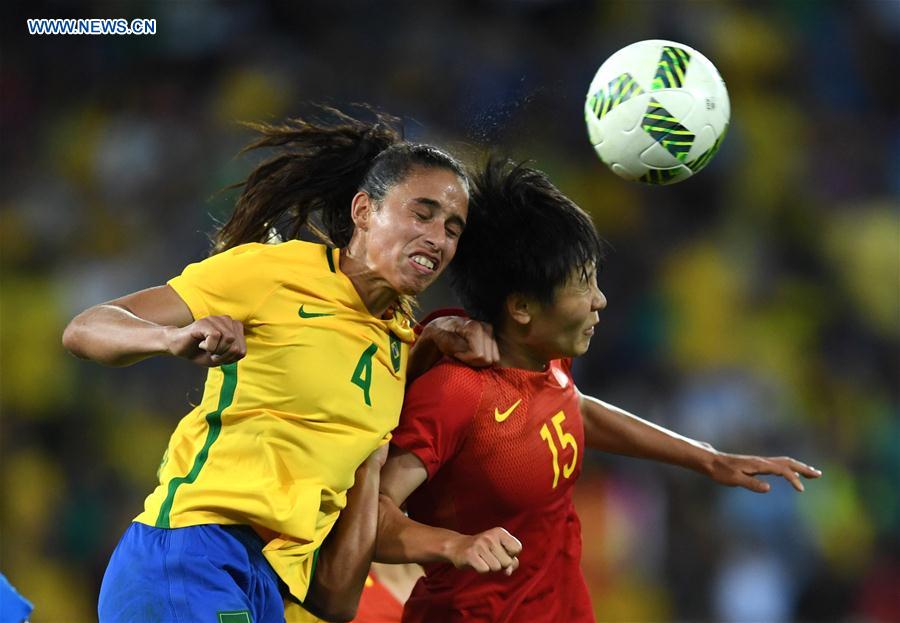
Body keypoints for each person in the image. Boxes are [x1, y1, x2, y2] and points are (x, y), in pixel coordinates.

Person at [61, 106, 498, 623]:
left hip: (269, 586)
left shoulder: (395, 345)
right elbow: (86, 328)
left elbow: (340, 581)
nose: (438, 238)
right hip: (192, 553)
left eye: (452, 227)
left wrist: (431, 346)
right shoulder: (274, 272)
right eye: (421, 214)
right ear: (363, 212)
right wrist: (171, 337)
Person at [372, 158, 823, 622]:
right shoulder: (456, 392)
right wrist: (456, 545)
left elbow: (574, 410)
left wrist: (708, 458)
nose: (599, 299)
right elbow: (372, 517)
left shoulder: (547, 358)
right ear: (522, 307)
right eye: (582, 284)